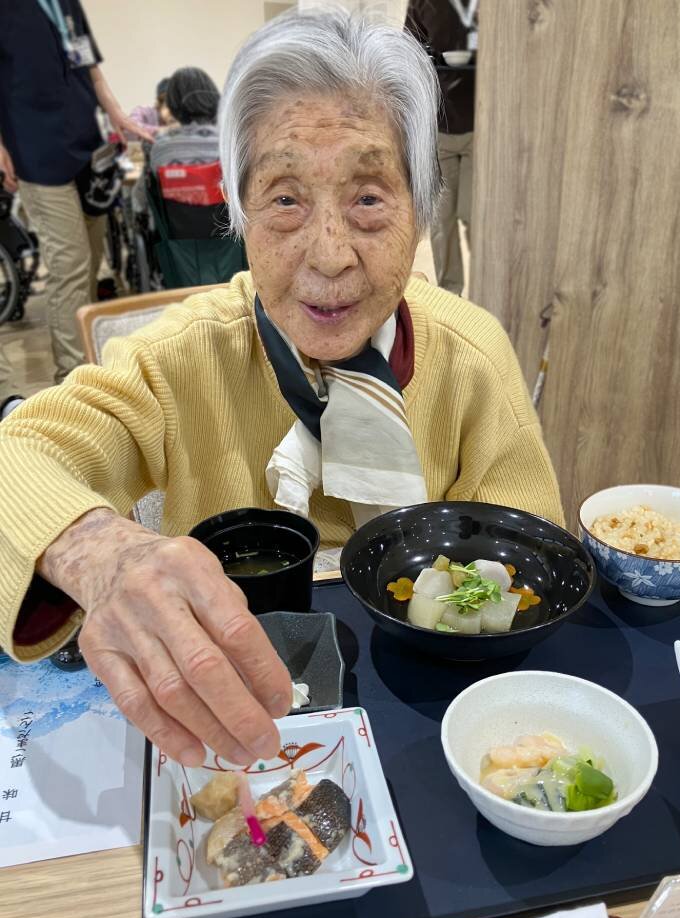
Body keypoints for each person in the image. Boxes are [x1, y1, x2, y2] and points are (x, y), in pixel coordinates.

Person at [0, 11, 563, 769]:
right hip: (228, 725)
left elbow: (529, 573)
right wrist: (99, 552)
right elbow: (19, 457)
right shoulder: (180, 357)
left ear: (420, 209)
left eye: (369, 198)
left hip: (439, 723)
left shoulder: (472, 355)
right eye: (286, 199)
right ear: (240, 212)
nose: (328, 256)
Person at [0, 0, 152, 384]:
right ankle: (72, 376)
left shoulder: (68, 4)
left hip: (87, 146)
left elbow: (92, 70)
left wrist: (119, 117)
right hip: (34, 151)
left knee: (92, 256)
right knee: (70, 261)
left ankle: (87, 358)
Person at [405, 0, 476, 295]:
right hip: (439, 126)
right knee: (442, 221)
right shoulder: (423, 3)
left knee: (475, 217)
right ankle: (451, 295)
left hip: (483, 126)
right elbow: (407, 51)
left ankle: (488, 292)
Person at [132, 67, 221, 215]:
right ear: (213, 97)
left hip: (176, 228)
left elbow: (139, 202)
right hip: (231, 228)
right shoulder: (232, 143)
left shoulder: (160, 148)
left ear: (172, 104)